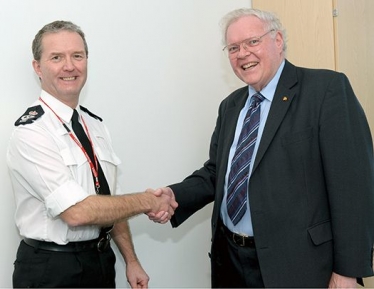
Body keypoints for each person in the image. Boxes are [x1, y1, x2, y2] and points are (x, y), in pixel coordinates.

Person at [149, 8, 374, 288]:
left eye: (252, 42)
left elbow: (354, 187)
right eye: (233, 47)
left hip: (299, 266)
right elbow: (217, 173)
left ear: (278, 40)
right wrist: (172, 195)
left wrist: (348, 270)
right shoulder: (230, 106)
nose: (242, 53)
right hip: (231, 261)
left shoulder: (325, 90)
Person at [7, 20, 177, 288]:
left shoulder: (95, 125)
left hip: (99, 261)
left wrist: (131, 261)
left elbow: (110, 201)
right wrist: (148, 201)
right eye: (56, 57)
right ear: (37, 67)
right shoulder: (32, 132)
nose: (69, 66)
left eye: (77, 56)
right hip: (51, 270)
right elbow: (77, 212)